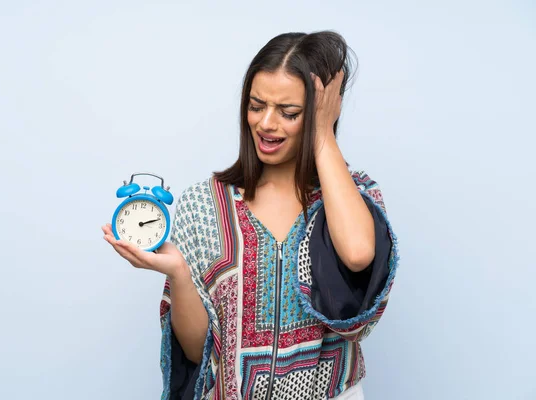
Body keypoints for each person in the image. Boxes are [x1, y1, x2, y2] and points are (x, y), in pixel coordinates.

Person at [102, 30, 399, 400]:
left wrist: (323, 134)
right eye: (257, 106)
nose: (266, 124)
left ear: (320, 113)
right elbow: (197, 352)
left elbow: (358, 254)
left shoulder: (355, 195)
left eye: (289, 112)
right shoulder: (204, 203)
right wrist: (178, 273)